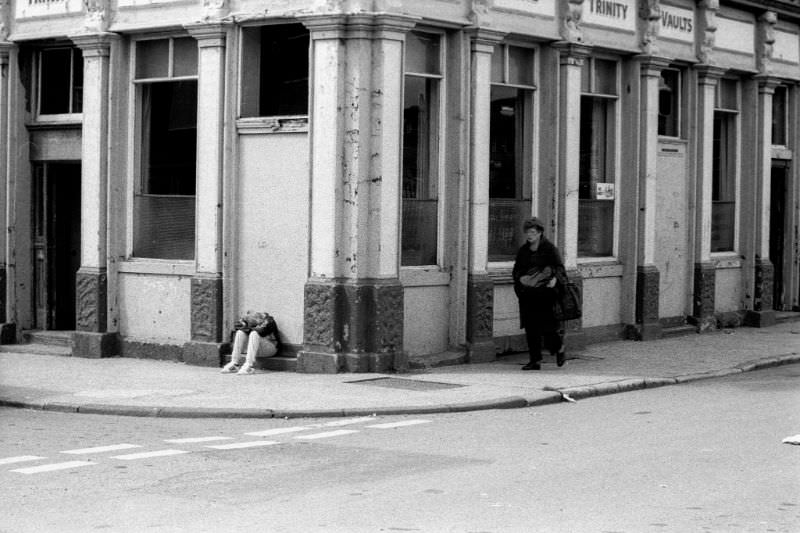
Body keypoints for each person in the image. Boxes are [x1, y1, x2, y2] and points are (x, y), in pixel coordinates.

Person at [512, 217, 567, 371]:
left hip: (545, 294)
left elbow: (559, 268)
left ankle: (559, 348)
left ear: (540, 233)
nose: (529, 235)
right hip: (528, 294)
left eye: (533, 232)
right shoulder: (523, 251)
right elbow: (516, 270)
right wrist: (521, 279)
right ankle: (534, 360)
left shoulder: (549, 249)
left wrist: (555, 279)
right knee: (531, 328)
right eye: (527, 232)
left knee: (547, 327)